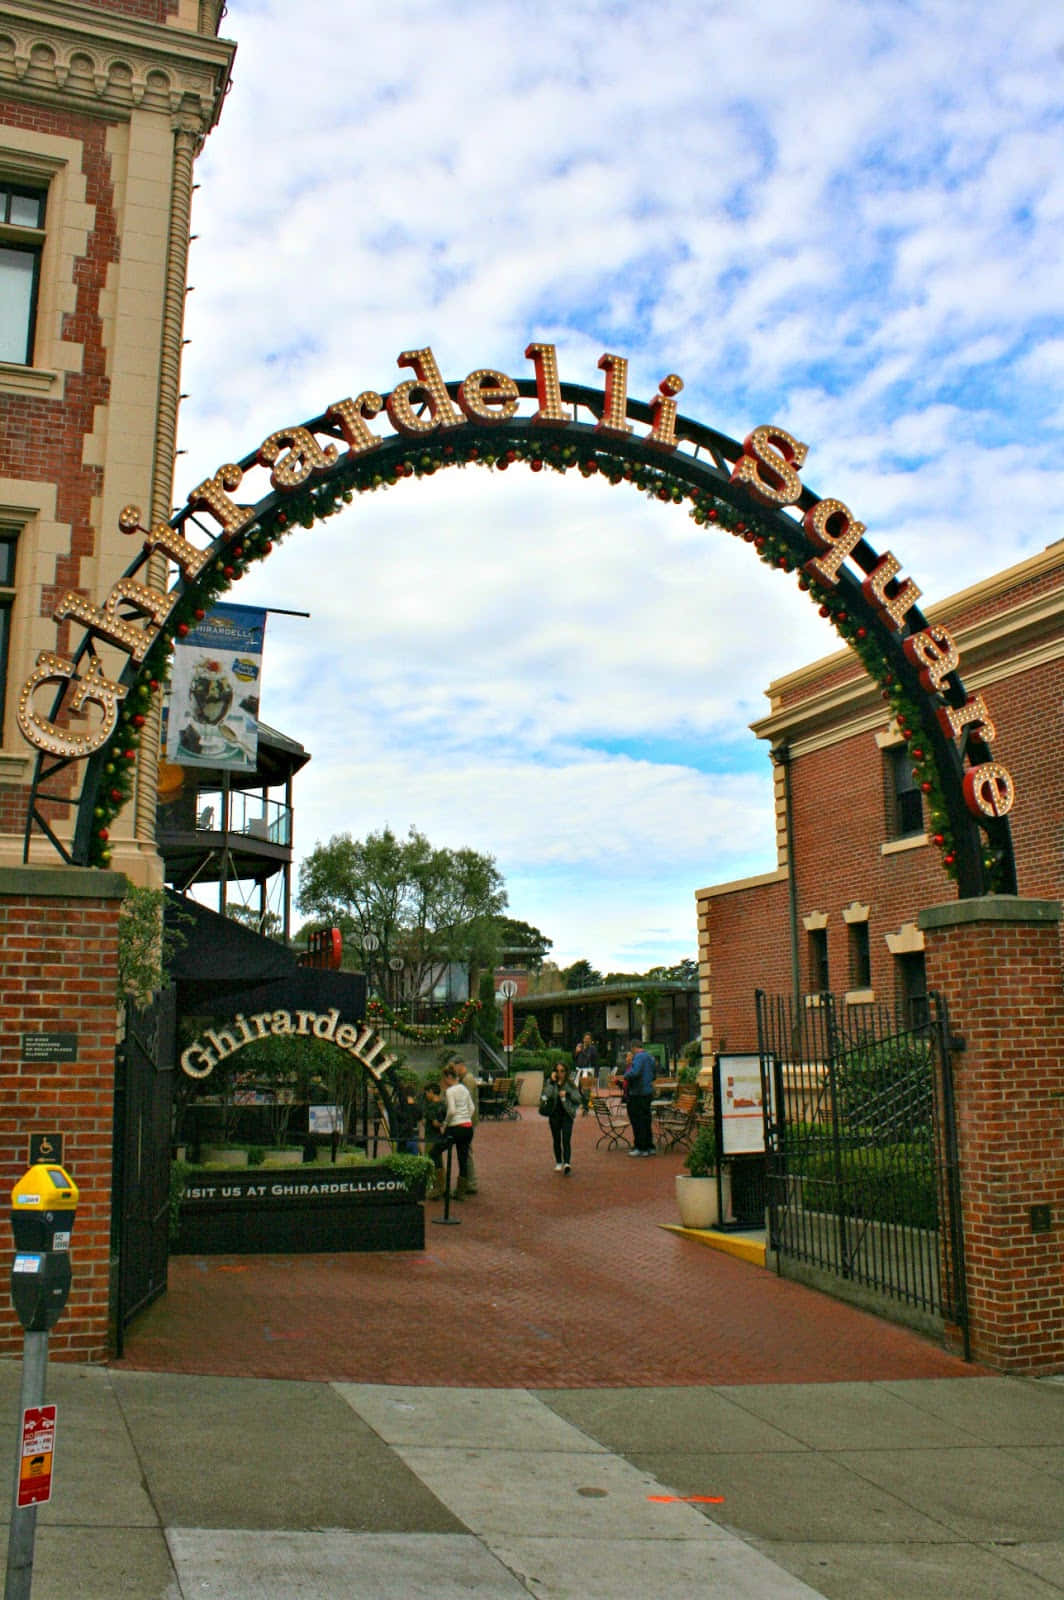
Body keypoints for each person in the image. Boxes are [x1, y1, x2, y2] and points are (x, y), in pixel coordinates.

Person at [439, 1062, 476, 1199]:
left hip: (455, 1127)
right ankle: (461, 1191)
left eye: (445, 1079)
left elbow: (451, 1111)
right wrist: (466, 1117)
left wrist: (445, 1123)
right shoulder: (464, 1089)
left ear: (449, 1077)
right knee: (463, 1158)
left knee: (435, 1151)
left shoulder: (450, 1091)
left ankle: (439, 1187)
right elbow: (472, 1108)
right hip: (467, 1127)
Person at [540, 1061, 582, 1173]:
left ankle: (567, 1163)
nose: (560, 1073)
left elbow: (578, 1098)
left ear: (566, 1072)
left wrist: (567, 1094)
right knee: (556, 1139)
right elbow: (545, 1095)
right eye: (557, 1071)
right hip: (554, 1115)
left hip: (567, 1115)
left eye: (562, 1071)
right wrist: (551, 1081)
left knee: (566, 1139)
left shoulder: (570, 1084)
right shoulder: (551, 1083)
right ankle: (559, 1162)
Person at [623, 1042, 657, 1156]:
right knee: (646, 1120)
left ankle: (640, 1147)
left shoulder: (638, 1057)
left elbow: (635, 1072)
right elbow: (654, 1074)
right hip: (648, 1092)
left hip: (638, 1093)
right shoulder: (650, 1057)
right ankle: (649, 1146)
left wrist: (626, 1076)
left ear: (634, 1048)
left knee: (638, 1121)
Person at [453, 1059, 480, 1193]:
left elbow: (465, 1100)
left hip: (467, 1120)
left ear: (460, 1066)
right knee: (466, 1150)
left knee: (466, 1151)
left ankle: (470, 1182)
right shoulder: (466, 1079)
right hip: (468, 1119)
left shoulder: (467, 1080)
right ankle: (469, 1181)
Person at [420, 1080, 448, 1200]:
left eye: (427, 1092)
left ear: (431, 1092)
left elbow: (434, 1123)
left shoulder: (431, 1106)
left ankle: (434, 1188)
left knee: (430, 1162)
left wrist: (426, 1120)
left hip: (431, 1136)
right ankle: (442, 1186)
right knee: (439, 1162)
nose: (426, 1095)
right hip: (439, 1136)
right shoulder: (443, 1104)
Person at [574, 1032, 598, 1111]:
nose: (587, 1040)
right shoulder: (579, 1047)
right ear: (583, 1039)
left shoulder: (592, 1049)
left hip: (588, 1071)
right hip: (579, 1070)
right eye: (586, 1038)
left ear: (591, 1040)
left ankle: (585, 1106)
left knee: (586, 1089)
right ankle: (584, 1103)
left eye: (588, 1039)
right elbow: (574, 1058)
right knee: (579, 1088)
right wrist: (576, 1052)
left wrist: (596, 1075)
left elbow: (595, 1062)